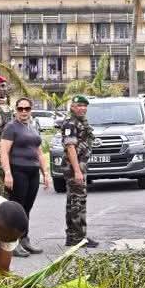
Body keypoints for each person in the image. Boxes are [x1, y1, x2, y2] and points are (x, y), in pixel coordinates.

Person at [0, 96, 51, 257]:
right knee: (17, 209)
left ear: (30, 110)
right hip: (18, 170)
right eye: (20, 109)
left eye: (26, 109)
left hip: (33, 171)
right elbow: (4, 152)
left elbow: (39, 152)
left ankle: (24, 239)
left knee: (27, 208)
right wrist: (8, 173)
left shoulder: (33, 126)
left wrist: (45, 173)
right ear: (16, 110)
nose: (23, 112)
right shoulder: (11, 127)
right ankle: (12, 244)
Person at [60, 94, 98, 248]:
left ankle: (73, 236)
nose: (82, 108)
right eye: (79, 106)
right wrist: (77, 171)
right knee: (78, 202)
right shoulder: (70, 124)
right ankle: (78, 237)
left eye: (84, 106)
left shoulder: (81, 122)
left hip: (79, 165)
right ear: (72, 107)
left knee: (73, 201)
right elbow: (70, 148)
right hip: (73, 166)